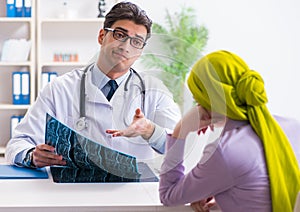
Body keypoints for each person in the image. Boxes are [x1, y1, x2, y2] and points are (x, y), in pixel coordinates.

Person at [5, 2, 181, 168]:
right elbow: (18, 142)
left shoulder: (154, 92)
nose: (126, 46)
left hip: (133, 192)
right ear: (102, 36)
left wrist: (150, 130)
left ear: (140, 51)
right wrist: (31, 156)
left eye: (136, 42)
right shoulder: (60, 89)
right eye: (120, 35)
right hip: (73, 192)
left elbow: (179, 147)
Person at [158, 50, 300, 212]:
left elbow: (168, 196)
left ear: (209, 101)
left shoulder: (224, 151)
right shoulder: (294, 128)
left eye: (198, 99)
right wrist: (226, 193)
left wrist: (180, 132)